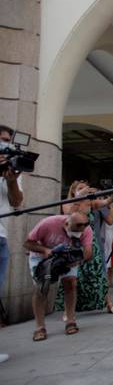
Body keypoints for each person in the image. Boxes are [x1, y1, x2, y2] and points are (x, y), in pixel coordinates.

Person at [24, 212, 93, 341]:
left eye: (81, 230)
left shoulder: (86, 229)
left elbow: (88, 252)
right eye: (74, 231)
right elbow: (27, 244)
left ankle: (70, 320)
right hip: (42, 257)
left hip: (67, 258)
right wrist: (45, 250)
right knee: (41, 288)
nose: (78, 233)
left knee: (71, 283)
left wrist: (78, 261)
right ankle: (40, 327)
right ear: (67, 223)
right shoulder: (48, 223)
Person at [57, 182, 113, 314]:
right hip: (74, 243)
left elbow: (105, 202)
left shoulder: (90, 203)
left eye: (85, 187)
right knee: (72, 277)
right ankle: (68, 311)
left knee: (99, 274)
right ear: (73, 192)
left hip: (91, 242)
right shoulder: (68, 203)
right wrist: (79, 196)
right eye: (80, 188)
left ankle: (109, 303)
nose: (84, 190)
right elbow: (69, 212)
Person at [0, 125, 24, 362]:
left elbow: (16, 202)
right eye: (2, 140)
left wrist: (11, 182)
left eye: (8, 141)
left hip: (1, 236)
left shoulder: (11, 169)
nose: (5, 145)